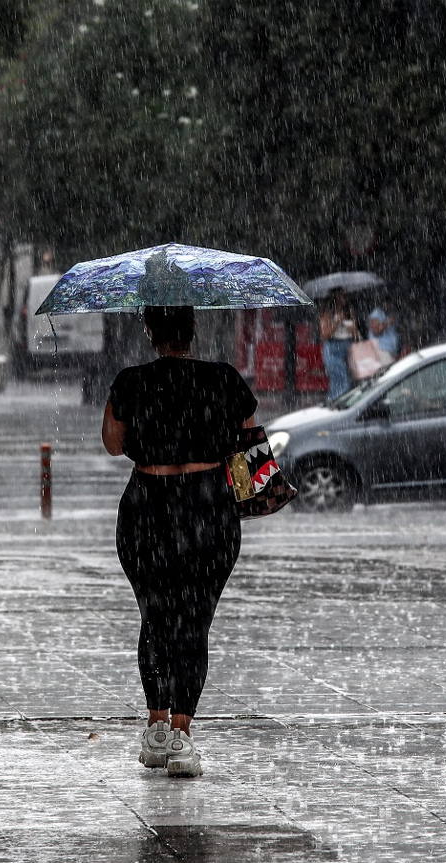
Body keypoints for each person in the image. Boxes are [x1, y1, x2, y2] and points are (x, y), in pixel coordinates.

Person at [102, 305, 260, 778]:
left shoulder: (131, 381)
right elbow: (250, 444)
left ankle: (155, 727)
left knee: (154, 615)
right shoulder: (224, 379)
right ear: (193, 329)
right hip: (208, 509)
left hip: (147, 508)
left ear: (150, 331)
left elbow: (112, 443)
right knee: (194, 621)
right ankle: (181, 735)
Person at [318, 288, 357, 399]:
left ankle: (335, 400)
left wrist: (352, 328)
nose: (344, 299)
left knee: (347, 379)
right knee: (341, 381)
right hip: (333, 347)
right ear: (335, 298)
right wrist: (338, 321)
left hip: (347, 345)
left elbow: (354, 329)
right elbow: (324, 334)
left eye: (345, 296)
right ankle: (335, 401)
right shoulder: (327, 313)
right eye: (342, 296)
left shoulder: (348, 310)